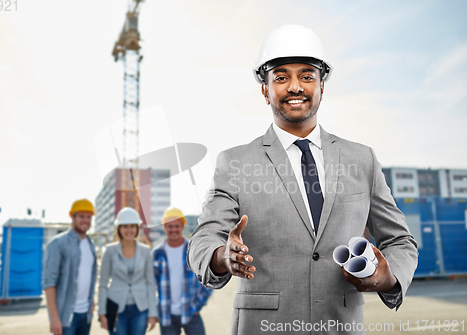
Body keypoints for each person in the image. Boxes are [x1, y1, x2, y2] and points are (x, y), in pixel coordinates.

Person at [187, 25, 419, 335]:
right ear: (265, 89)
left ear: (322, 85)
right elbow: (204, 239)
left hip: (341, 326)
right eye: (281, 77)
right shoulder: (235, 162)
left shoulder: (362, 159)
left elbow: (401, 241)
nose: (295, 87)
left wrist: (387, 277)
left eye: (307, 76)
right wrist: (221, 257)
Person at [152, 207, 212, 335]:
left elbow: (209, 278)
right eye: (170, 226)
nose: (173, 230)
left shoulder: (195, 251)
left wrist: (198, 305)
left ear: (182, 226)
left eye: (177, 226)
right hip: (167, 316)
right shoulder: (157, 254)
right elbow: (150, 284)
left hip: (191, 312)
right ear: (164, 227)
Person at [98, 207, 158, 335]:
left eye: (132, 226)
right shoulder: (109, 251)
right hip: (115, 307)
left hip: (140, 308)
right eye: (125, 226)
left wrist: (153, 313)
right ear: (119, 228)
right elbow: (103, 284)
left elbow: (150, 283)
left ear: (137, 228)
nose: (129, 230)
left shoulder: (146, 251)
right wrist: (102, 312)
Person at [43, 199, 97, 335]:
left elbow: (88, 276)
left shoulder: (91, 244)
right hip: (66, 317)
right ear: (72, 217)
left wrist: (92, 299)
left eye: (89, 217)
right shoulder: (58, 243)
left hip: (85, 315)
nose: (85, 220)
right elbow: (49, 282)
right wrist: (54, 318)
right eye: (81, 216)